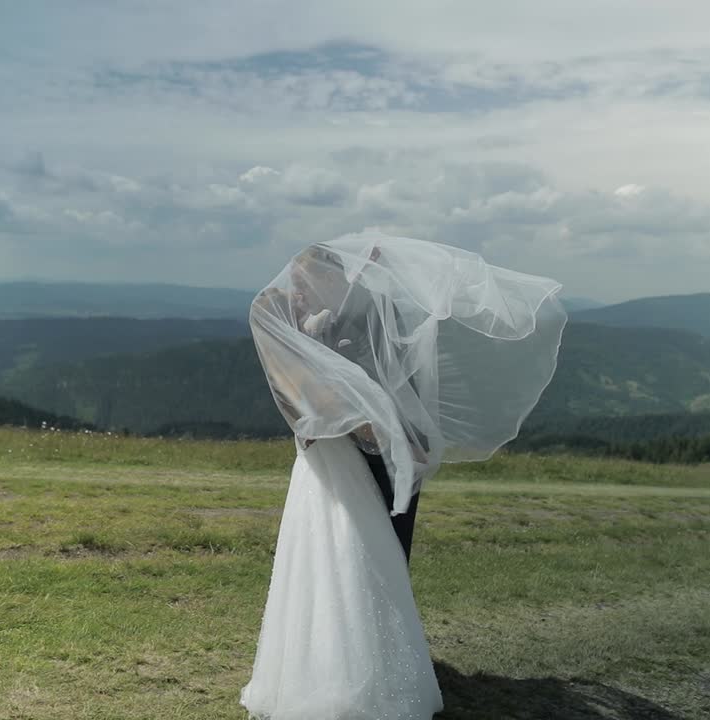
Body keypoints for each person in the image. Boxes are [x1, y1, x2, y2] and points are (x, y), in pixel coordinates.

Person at [241, 232, 567, 720]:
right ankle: (338, 666)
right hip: (335, 458)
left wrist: (397, 440)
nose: (303, 292)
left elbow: (392, 376)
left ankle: (375, 661)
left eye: (313, 282)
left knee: (377, 559)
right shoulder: (297, 318)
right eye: (302, 285)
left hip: (375, 454)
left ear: (334, 277)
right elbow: (311, 392)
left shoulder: (366, 310)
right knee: (337, 558)